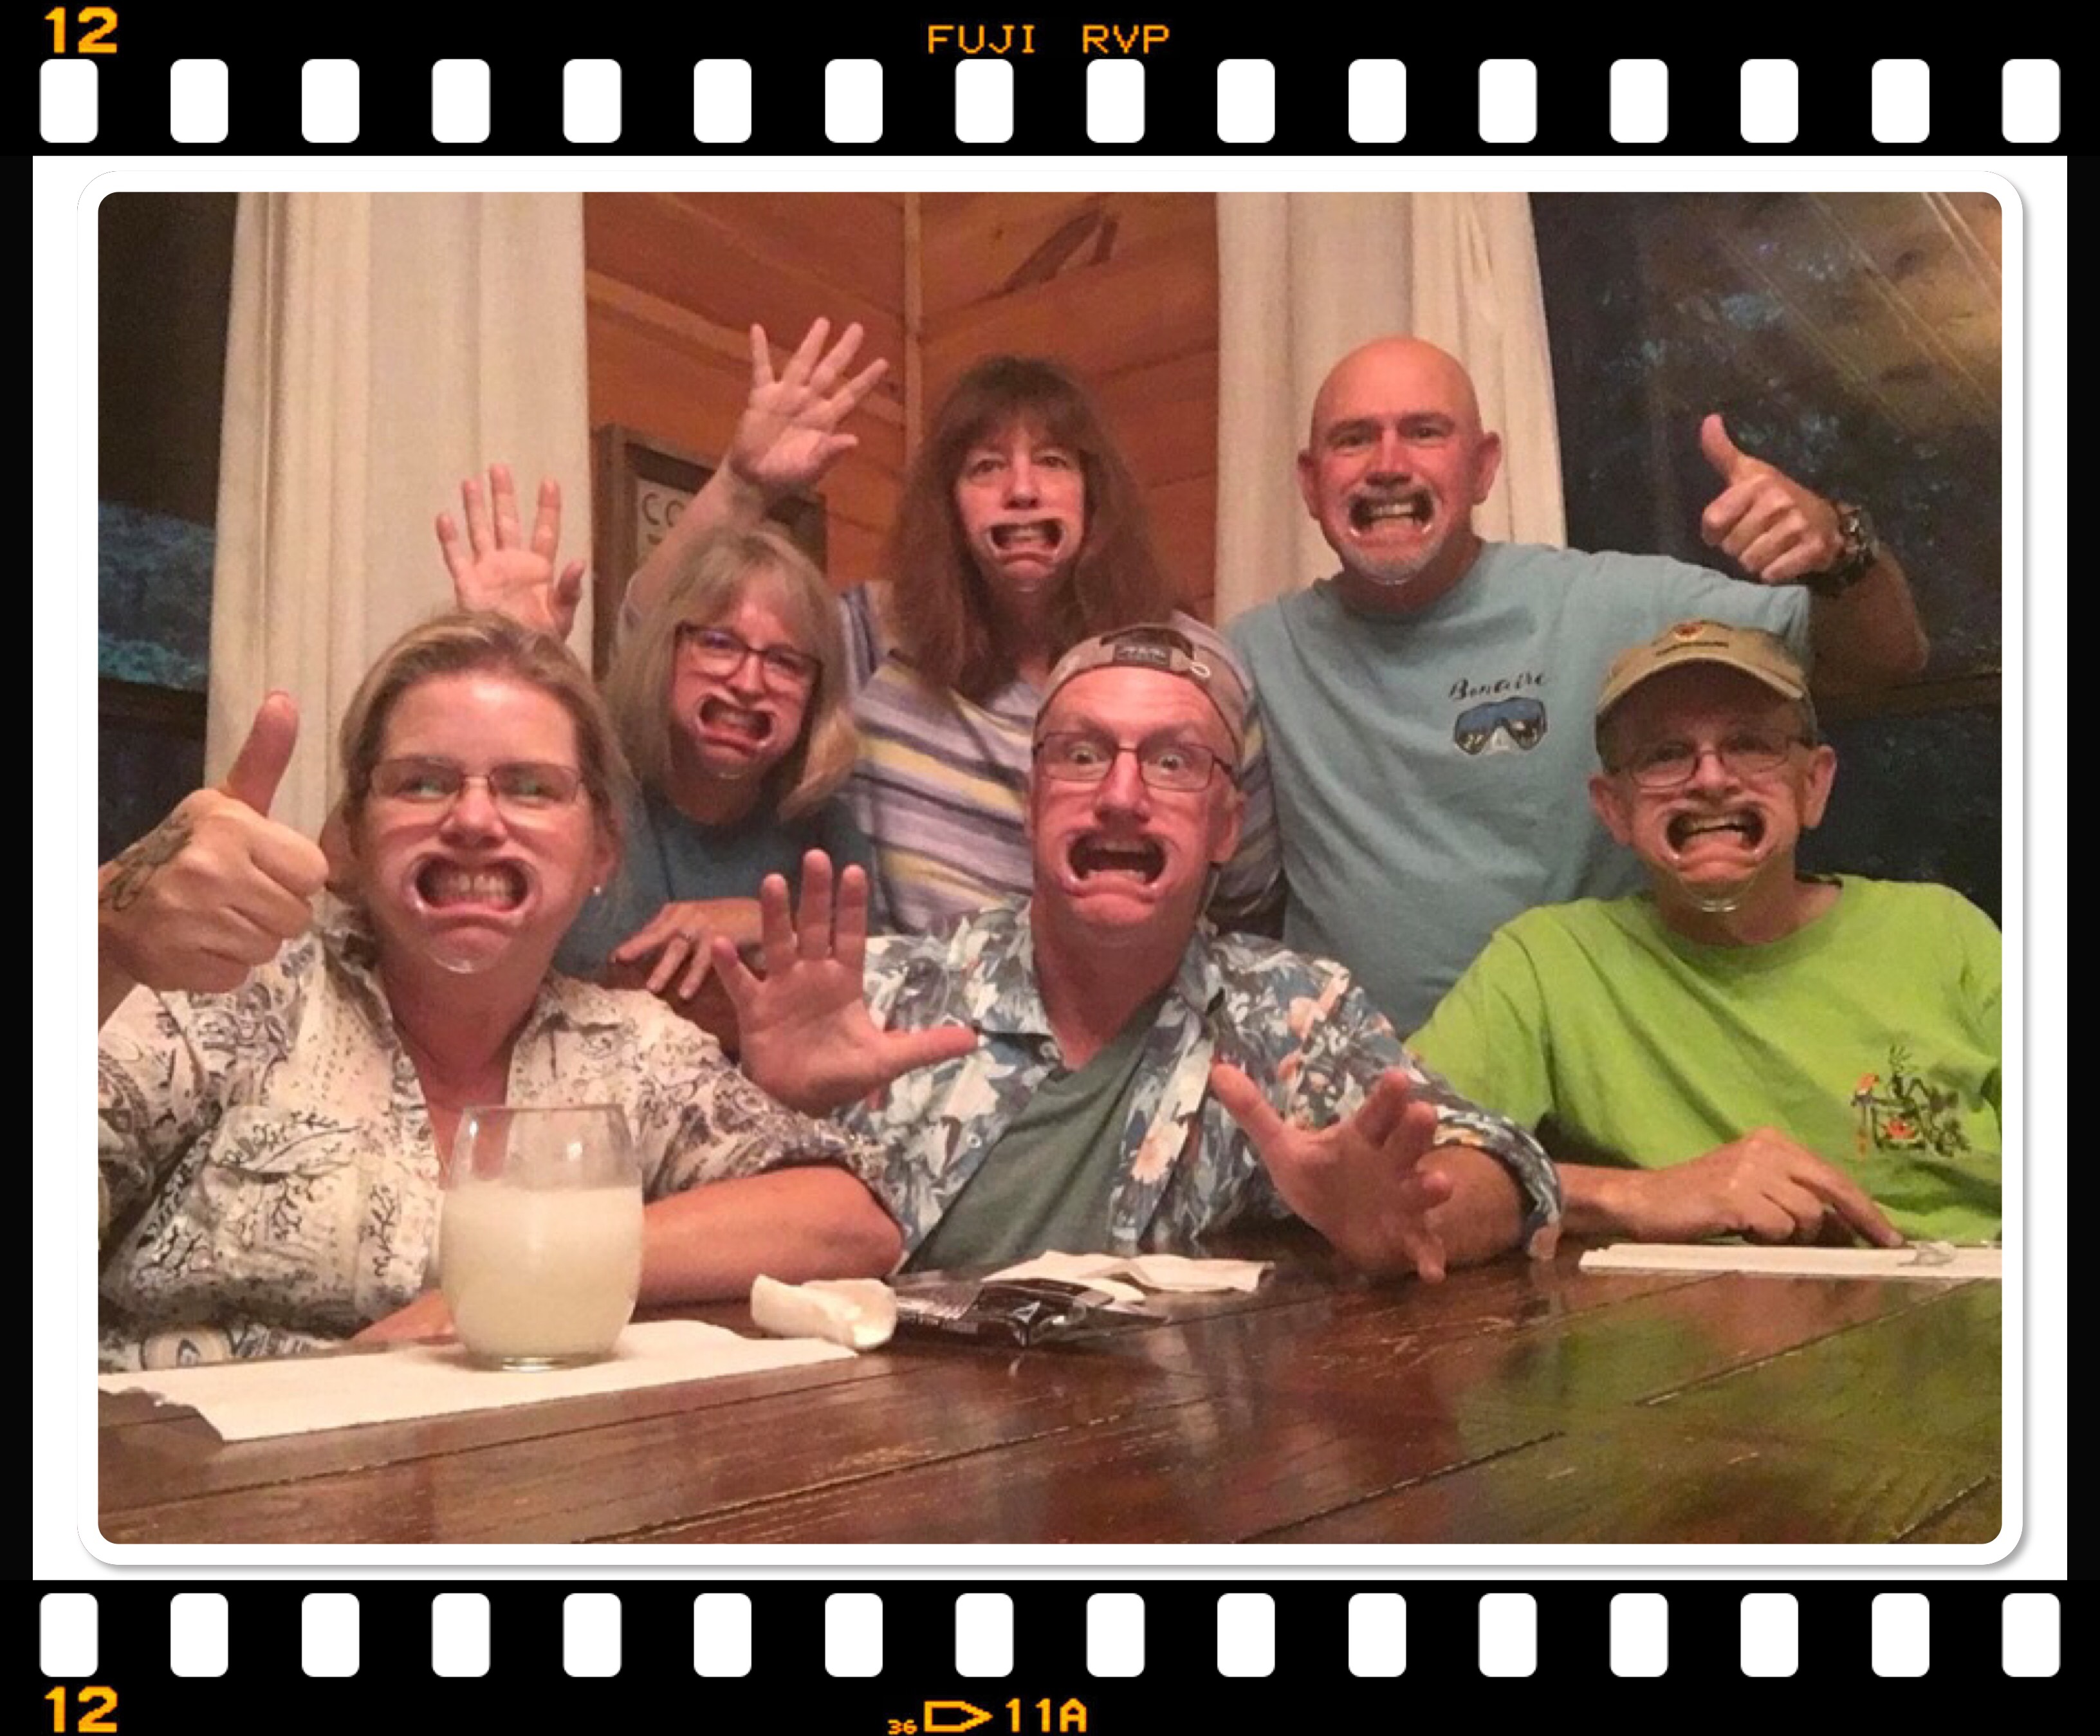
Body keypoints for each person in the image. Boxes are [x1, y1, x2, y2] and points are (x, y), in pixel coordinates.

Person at [96, 612, 901, 1370]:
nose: (476, 820)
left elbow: (846, 1222)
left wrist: (510, 1278)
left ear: (601, 851)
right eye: (422, 782)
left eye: (531, 788)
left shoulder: (631, 1046)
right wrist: (100, 937)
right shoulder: (226, 995)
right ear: (352, 835)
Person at [710, 626, 1561, 1279]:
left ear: (1226, 826)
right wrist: (771, 1110)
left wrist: (1409, 1215)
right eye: (1082, 755)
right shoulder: (883, 990)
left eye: (1173, 761)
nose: (1121, 795)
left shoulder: (1293, 1013)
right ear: (1033, 803)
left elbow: (1504, 1164)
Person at [1229, 335, 1933, 1031]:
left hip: (1597, 1069)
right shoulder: (1253, 658)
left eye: (1425, 432)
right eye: (1354, 439)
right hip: (1356, 1078)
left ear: (1483, 468)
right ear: (1310, 482)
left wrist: (1839, 547)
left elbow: (1884, 661)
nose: (1388, 465)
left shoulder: (1612, 606)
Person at [619, 320, 1285, 937]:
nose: (1021, 490)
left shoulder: (1197, 669)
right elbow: (656, 647)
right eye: (986, 467)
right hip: (923, 1010)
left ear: (1094, 492)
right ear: (949, 507)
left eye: (1053, 461)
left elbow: (1248, 898)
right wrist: (741, 488)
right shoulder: (875, 633)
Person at [1408, 619, 2000, 1246]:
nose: (1712, 779)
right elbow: (1401, 1192)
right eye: (1665, 754)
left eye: (1749, 744)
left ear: (1813, 785)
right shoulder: (1548, 962)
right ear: (1615, 808)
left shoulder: (1941, 932)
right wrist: (1634, 1195)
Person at [439, 476, 872, 1006]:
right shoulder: (583, 784)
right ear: (665, 651)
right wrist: (498, 666)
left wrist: (770, 926)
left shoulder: (829, 837)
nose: (748, 682)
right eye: (719, 643)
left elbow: (872, 993)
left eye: (784, 662)